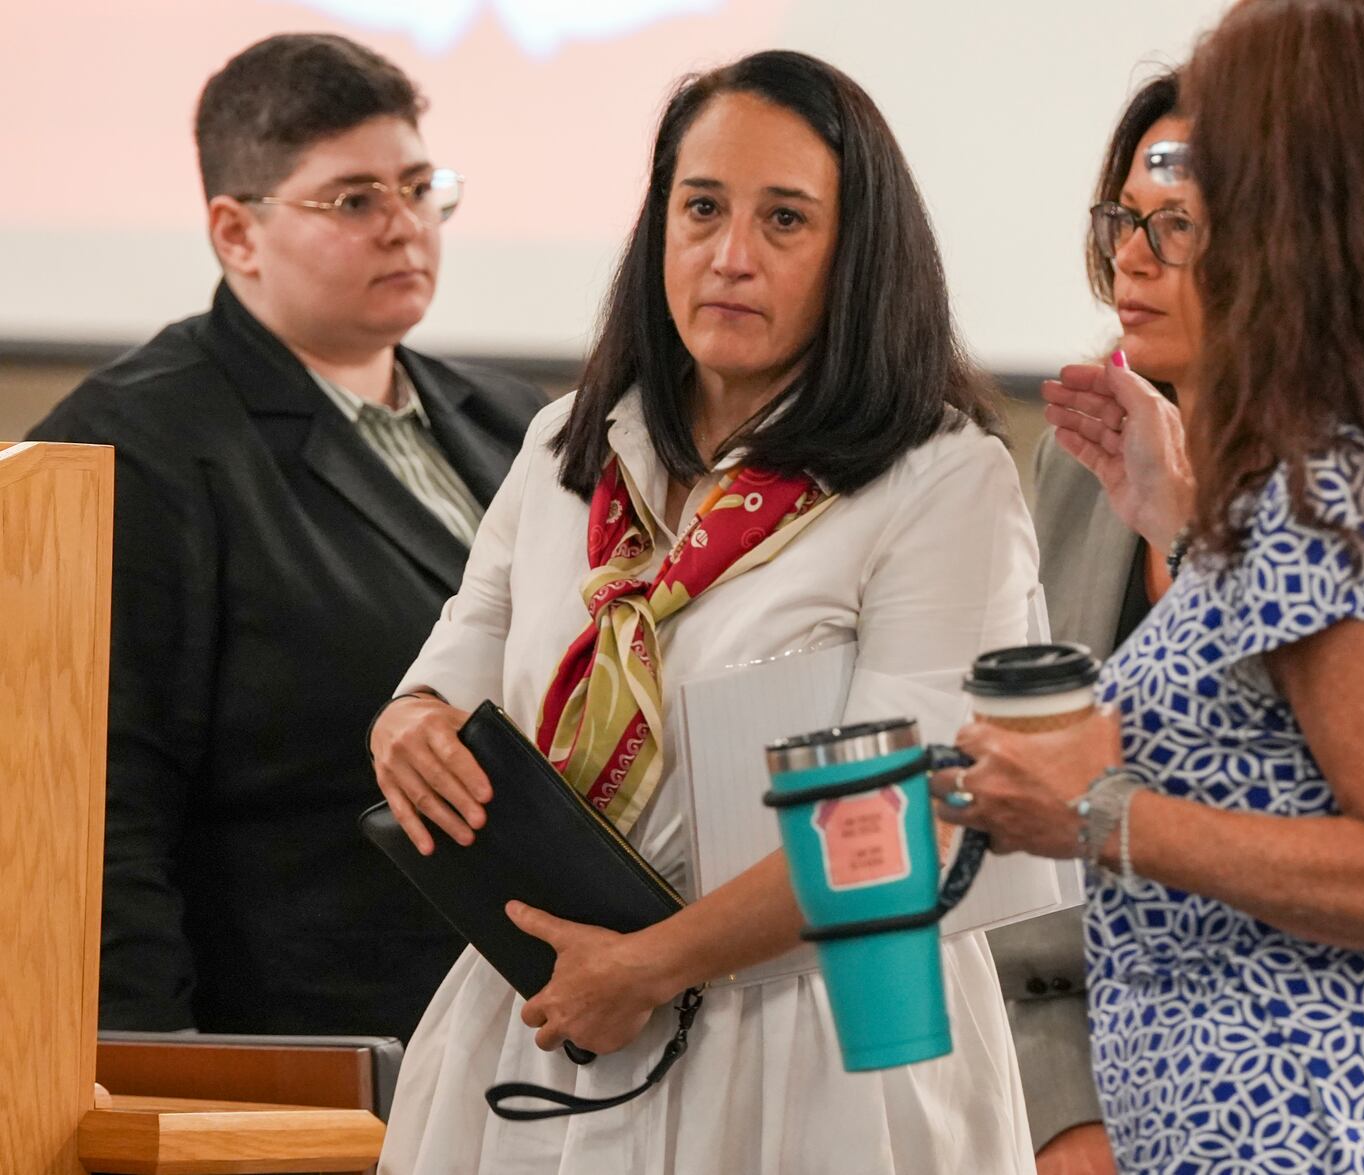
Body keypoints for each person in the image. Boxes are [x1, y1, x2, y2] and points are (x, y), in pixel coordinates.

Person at [936, 0, 1364, 1169]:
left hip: (1328, 1135)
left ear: (1302, 209)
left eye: (1203, 198)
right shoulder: (1349, 466)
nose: (1143, 252)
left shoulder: (1324, 481)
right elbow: (1295, 743)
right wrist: (1186, 530)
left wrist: (1095, 812)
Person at [370, 49, 1041, 1175]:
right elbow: (454, 665)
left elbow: (907, 819)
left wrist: (648, 964)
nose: (730, 256)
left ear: (856, 254)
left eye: (785, 219)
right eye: (701, 208)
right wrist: (408, 726)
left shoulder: (939, 479)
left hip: (818, 1038)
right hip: (557, 1007)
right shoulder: (567, 445)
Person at [28, 34, 545, 1040]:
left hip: (541, 1031)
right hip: (310, 1052)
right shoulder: (132, 448)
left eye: (417, 185)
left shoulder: (518, 422)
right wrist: (144, 1082)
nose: (406, 227)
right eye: (354, 200)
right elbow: (96, 820)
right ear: (235, 232)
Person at [986, 72, 1189, 1174]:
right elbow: (1021, 869)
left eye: (1178, 226)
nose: (1131, 259)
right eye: (1122, 221)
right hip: (1089, 1109)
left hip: (1308, 1093)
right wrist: (1063, 1113)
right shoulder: (1082, 450)